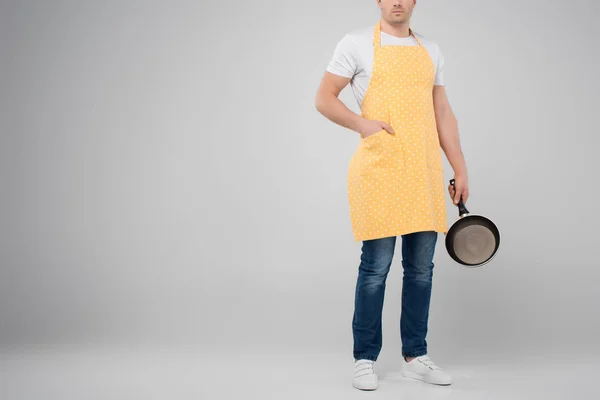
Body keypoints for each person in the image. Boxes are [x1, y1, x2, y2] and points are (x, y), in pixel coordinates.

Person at [314, 0, 469, 391]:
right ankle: (364, 359)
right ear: (379, 1)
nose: (397, 1)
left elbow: (443, 111)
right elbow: (325, 98)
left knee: (421, 270)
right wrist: (361, 124)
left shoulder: (430, 49)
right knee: (375, 269)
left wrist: (460, 167)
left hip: (422, 169)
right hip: (381, 168)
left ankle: (415, 356)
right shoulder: (356, 43)